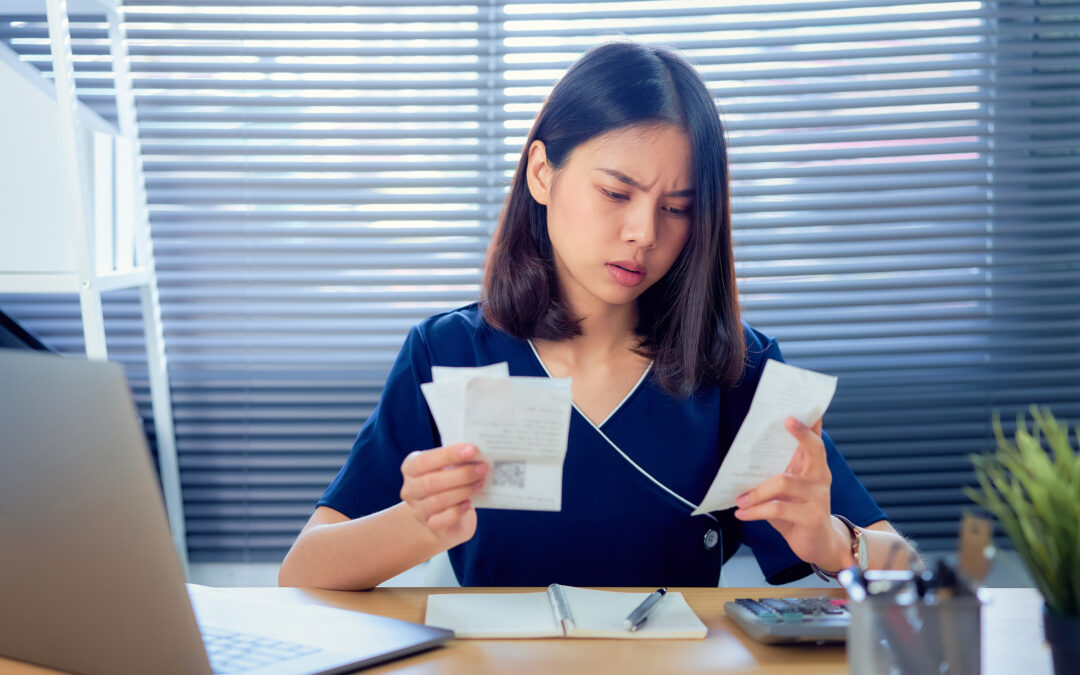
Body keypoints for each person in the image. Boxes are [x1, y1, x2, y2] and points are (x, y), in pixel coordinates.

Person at [278, 40, 919, 590]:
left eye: (677, 207)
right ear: (542, 174)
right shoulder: (450, 351)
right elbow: (302, 571)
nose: (643, 231)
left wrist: (834, 543)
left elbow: (911, 570)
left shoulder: (735, 368)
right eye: (616, 193)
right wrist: (418, 523)